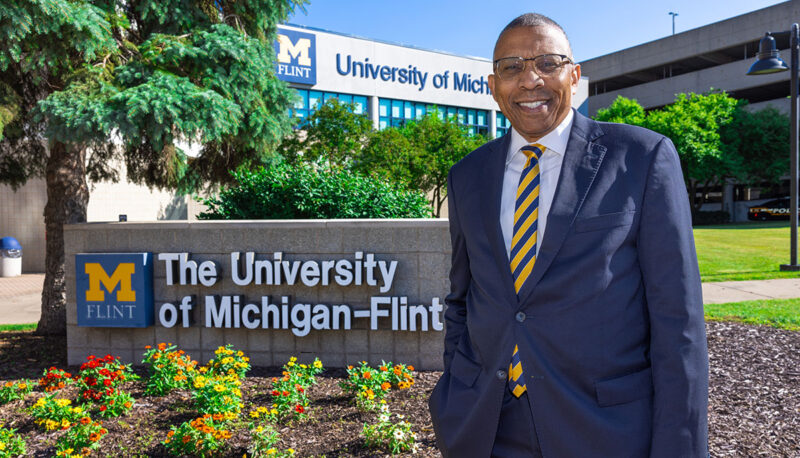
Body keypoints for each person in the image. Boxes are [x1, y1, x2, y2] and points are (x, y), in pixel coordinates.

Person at [428, 13, 709, 457]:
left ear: (574, 76)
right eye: (512, 67)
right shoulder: (468, 176)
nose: (530, 79)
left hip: (605, 430)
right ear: (492, 84)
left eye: (548, 62)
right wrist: (453, 393)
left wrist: (680, 446)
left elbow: (679, 323)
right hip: (487, 427)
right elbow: (463, 298)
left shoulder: (642, 158)